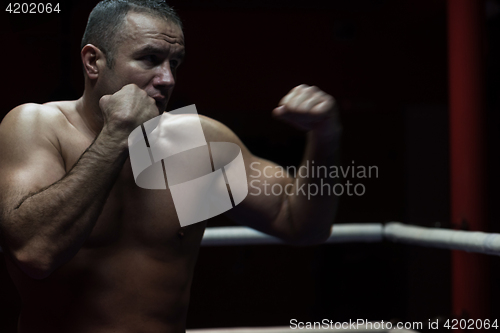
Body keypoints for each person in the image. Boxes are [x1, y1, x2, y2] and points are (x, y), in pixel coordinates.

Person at [0, 0, 341, 332]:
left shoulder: (194, 140)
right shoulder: (38, 126)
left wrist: (325, 137)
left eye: (174, 63)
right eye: (150, 59)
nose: (167, 79)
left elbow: (300, 224)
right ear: (93, 62)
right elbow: (35, 253)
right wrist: (118, 134)